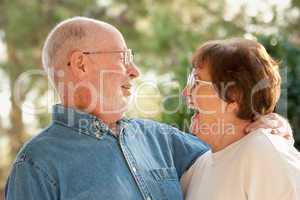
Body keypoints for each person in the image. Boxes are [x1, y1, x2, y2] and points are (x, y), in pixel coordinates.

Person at [4, 17, 292, 200]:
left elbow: (233, 149)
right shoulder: (36, 166)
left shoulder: (160, 139)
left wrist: (270, 121)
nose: (135, 71)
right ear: (81, 63)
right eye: (123, 57)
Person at [181, 38, 300, 200]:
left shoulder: (265, 153)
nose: (185, 93)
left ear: (234, 95)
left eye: (196, 81)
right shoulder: (198, 167)